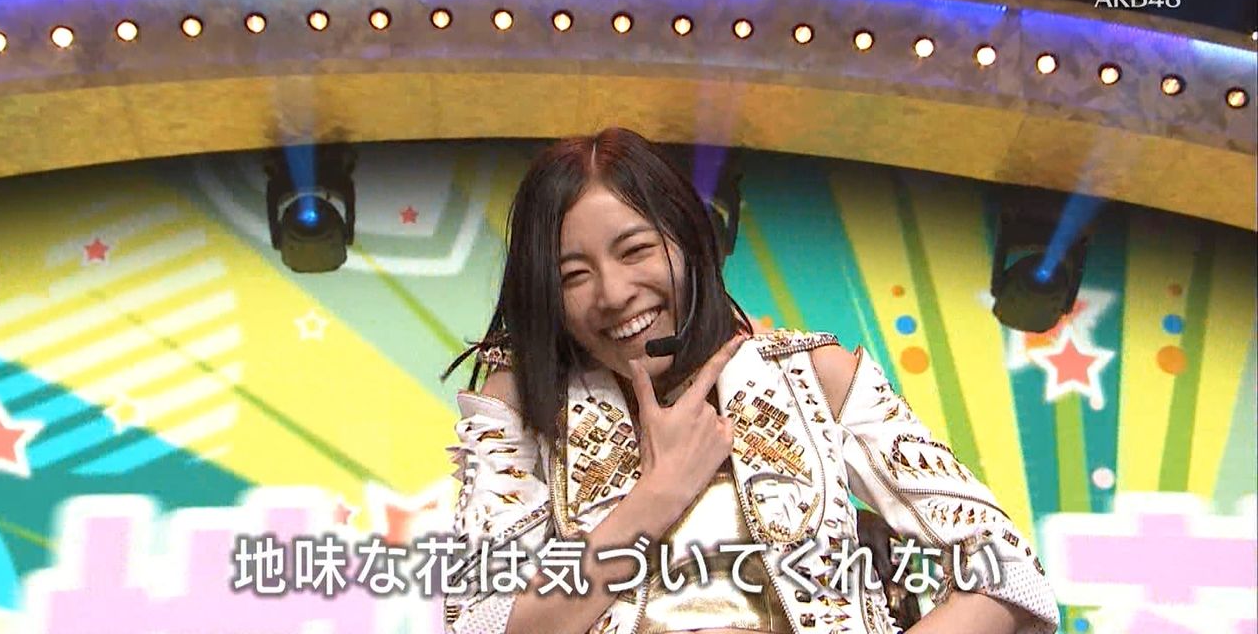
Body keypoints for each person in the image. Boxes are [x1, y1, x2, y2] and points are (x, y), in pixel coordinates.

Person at [441, 127, 1060, 634]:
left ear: (687, 241)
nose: (614, 292)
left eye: (635, 251)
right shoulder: (524, 403)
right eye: (574, 275)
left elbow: (1009, 571)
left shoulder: (812, 376)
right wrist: (657, 495)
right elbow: (479, 624)